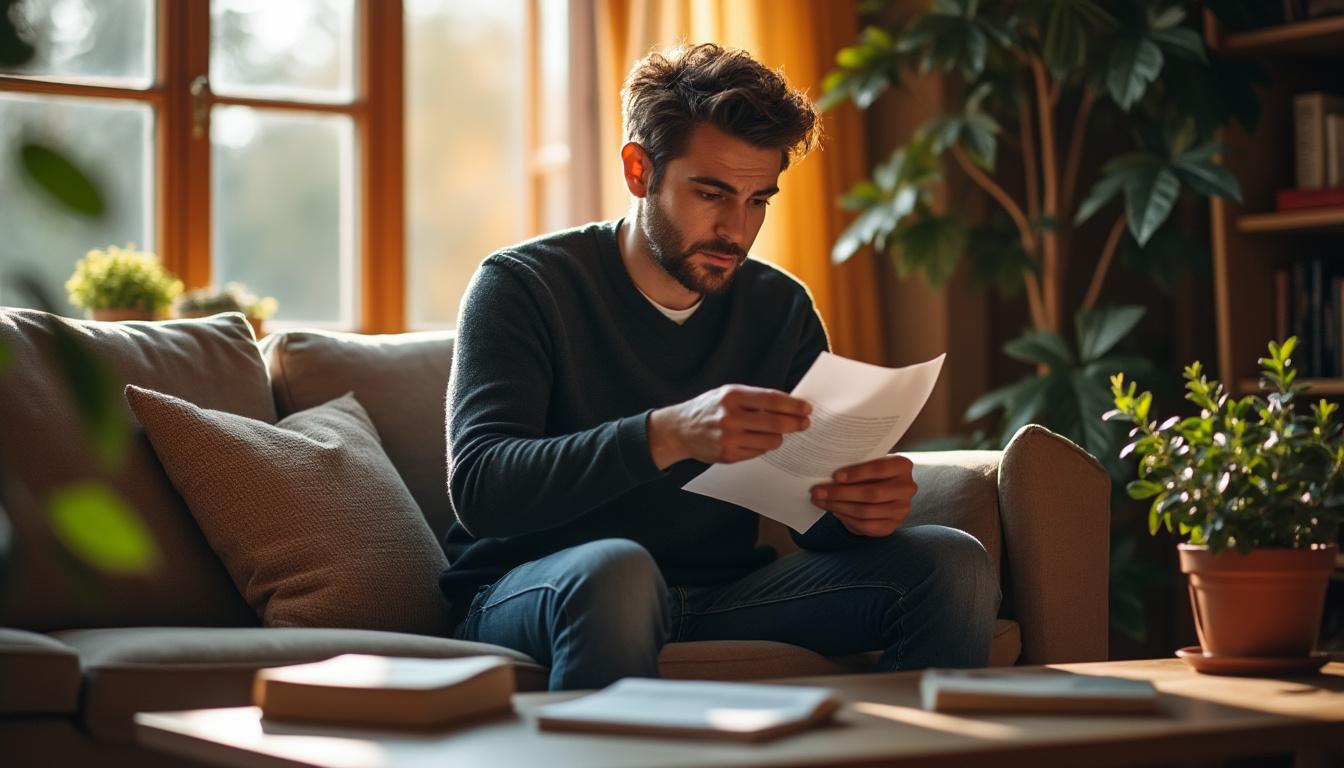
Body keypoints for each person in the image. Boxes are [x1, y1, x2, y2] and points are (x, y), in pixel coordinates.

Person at [439, 43, 999, 691]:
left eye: (759, 200)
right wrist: (666, 434)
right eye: (712, 193)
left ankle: (911, 744)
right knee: (617, 570)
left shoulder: (779, 307)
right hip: (538, 592)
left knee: (952, 562)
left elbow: (809, 517)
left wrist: (854, 512)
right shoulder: (523, 286)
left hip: (721, 595)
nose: (737, 229)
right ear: (639, 170)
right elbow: (482, 491)